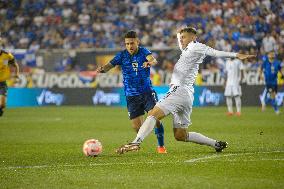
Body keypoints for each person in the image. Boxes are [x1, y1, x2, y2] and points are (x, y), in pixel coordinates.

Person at [116, 27, 255, 154]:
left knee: (153, 114)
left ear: (193, 37)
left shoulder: (196, 46)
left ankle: (136, 142)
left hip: (179, 90)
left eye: (184, 37)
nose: (181, 40)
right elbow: (181, 42)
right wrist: (178, 34)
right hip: (187, 95)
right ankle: (215, 144)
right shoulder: (188, 49)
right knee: (180, 135)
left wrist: (236, 55)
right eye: (181, 37)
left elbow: (215, 52)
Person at [96, 31, 167, 153]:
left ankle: (161, 146)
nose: (130, 46)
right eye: (127, 44)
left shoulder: (144, 51)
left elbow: (153, 60)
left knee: (154, 118)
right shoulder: (122, 55)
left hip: (147, 93)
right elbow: (109, 66)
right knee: (137, 127)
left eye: (132, 43)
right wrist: (102, 70)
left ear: (137, 42)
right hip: (131, 95)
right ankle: (136, 144)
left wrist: (149, 62)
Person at [0, 41, 20, 117]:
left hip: (2, 82)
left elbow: (15, 65)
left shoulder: (7, 55)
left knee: (2, 104)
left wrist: (16, 74)